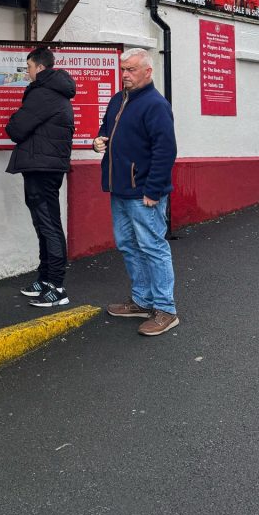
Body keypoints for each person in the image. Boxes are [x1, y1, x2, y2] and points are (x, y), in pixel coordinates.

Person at [92, 48, 178, 337]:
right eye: (123, 69)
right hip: (119, 190)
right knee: (128, 245)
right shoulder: (118, 99)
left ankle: (165, 309)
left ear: (148, 71)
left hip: (144, 193)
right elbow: (106, 129)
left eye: (131, 69)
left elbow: (165, 151)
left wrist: (153, 190)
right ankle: (142, 301)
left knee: (153, 247)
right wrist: (98, 141)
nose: (125, 74)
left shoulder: (156, 105)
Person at [5, 47, 75, 308]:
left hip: (42, 167)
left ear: (40, 67)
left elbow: (16, 128)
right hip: (44, 166)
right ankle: (45, 279)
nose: (27, 72)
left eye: (29, 67)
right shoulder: (52, 91)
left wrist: (14, 119)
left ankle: (57, 287)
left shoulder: (43, 93)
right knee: (43, 224)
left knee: (48, 225)